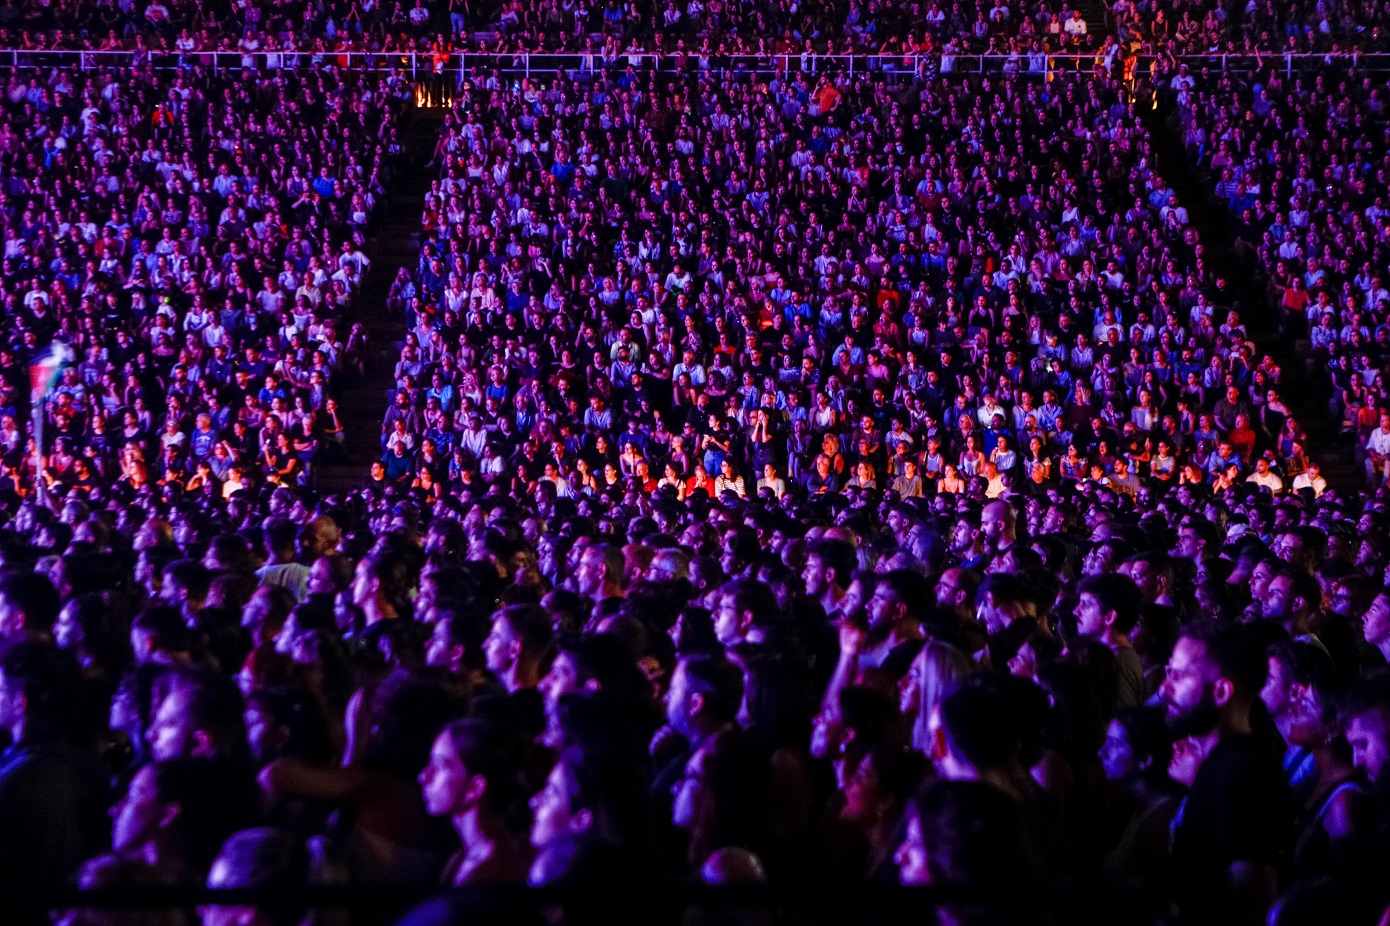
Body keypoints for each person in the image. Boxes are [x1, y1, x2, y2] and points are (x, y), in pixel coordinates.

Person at [1159, 622, 1292, 926]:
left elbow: (1252, 902)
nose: (1165, 688)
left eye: (1178, 676)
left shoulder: (1246, 775)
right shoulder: (1219, 765)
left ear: (1221, 691)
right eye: (1168, 674)